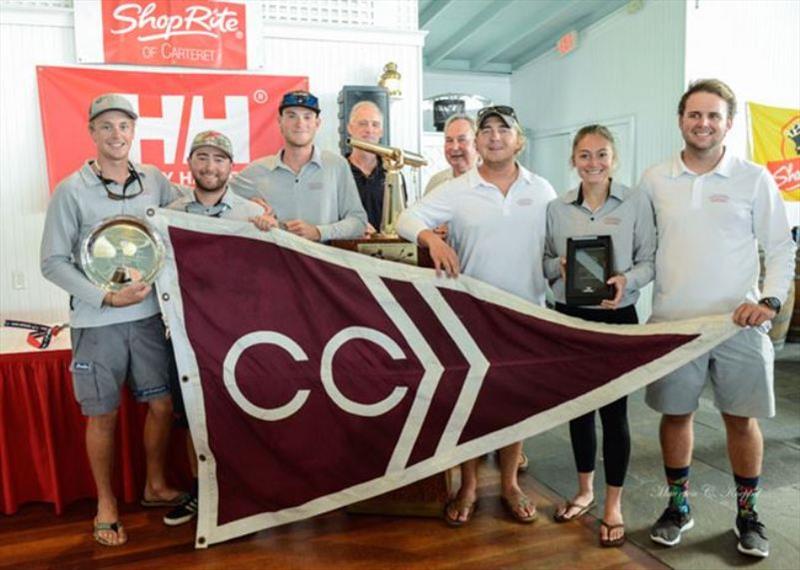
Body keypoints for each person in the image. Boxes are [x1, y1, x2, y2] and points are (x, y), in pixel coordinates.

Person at [640, 79, 795, 559]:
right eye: (694, 115)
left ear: (728, 123)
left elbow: (780, 247)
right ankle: (678, 506)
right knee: (676, 416)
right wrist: (621, 280)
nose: (703, 123)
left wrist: (769, 303)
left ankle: (747, 514)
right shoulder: (655, 179)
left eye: (713, 116)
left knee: (741, 421)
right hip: (673, 324)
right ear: (681, 120)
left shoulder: (753, 178)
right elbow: (645, 252)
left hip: (738, 324)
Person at [397, 105, 556, 527]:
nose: (494, 136)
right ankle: (467, 484)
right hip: (470, 317)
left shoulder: (542, 189)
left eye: (504, 129)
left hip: (525, 316)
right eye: (486, 130)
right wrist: (432, 238)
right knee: (469, 406)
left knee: (515, 405)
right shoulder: (459, 188)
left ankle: (508, 483)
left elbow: (558, 247)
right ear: (478, 142)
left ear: (519, 140)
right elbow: (405, 219)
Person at [40, 93, 185, 547]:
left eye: (124, 126)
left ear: (133, 131)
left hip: (148, 319)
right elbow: (52, 262)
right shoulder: (71, 190)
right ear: (92, 132)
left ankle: (155, 486)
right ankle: (106, 503)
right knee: (102, 415)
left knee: (161, 405)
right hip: (97, 321)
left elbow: (200, 207)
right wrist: (105, 297)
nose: (116, 134)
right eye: (106, 127)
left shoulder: (156, 182)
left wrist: (249, 205)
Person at [544, 125, 656, 547]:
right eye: (585, 155)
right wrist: (561, 268)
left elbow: (649, 259)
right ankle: (585, 491)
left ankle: (613, 503)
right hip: (571, 319)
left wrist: (627, 280)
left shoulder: (635, 202)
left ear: (615, 159)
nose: (593, 163)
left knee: (614, 414)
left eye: (602, 154)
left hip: (617, 318)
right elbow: (543, 262)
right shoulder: (556, 209)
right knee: (579, 410)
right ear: (574, 159)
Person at [161, 130, 277, 527]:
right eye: (203, 158)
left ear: (231, 167)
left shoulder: (250, 214)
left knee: (239, 414)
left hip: (235, 339)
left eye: (219, 159)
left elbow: (268, 279)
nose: (210, 167)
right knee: (193, 417)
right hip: (186, 338)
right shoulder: (170, 213)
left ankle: (244, 489)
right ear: (191, 163)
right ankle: (201, 492)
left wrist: (268, 231)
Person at [230, 90, 367, 241]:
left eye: (307, 117)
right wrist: (248, 208)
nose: (300, 123)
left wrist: (319, 232)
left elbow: (358, 222)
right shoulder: (257, 170)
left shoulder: (336, 165)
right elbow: (215, 198)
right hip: (272, 262)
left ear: (317, 123)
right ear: (279, 121)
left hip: (321, 262)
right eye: (291, 115)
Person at [346, 100, 386, 234]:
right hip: (343, 249)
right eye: (363, 124)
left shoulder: (392, 173)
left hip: (386, 251)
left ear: (381, 131)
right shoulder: (337, 171)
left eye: (375, 125)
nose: (369, 130)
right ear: (350, 128)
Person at [424, 114, 479, 194]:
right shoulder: (435, 184)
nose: (455, 147)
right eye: (449, 140)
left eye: (461, 140)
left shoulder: (495, 184)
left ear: (477, 144)